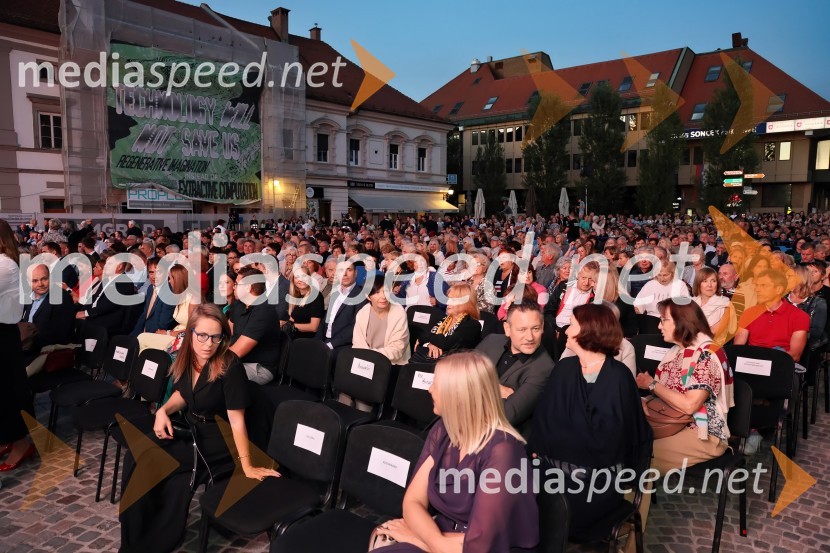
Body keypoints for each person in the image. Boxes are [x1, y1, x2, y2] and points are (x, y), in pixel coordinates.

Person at [120, 303, 279, 552]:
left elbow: (237, 420)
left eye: (216, 337)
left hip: (219, 437)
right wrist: (163, 411)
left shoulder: (229, 365)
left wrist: (246, 465)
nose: (208, 344)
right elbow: (183, 394)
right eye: (202, 335)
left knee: (149, 459)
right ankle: (136, 533)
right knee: (135, 454)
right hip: (192, 426)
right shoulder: (188, 356)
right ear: (190, 332)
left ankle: (142, 542)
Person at [373, 351, 539, 553]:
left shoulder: (503, 452)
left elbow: (480, 546)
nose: (430, 389)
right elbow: (412, 501)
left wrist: (415, 538)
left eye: (436, 384)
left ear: (458, 395)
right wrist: (434, 539)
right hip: (444, 536)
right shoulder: (443, 429)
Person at [528, 303, 651, 539]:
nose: (565, 331)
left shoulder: (619, 378)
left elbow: (611, 441)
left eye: (571, 325)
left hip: (595, 483)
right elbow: (543, 422)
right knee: (511, 498)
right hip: (550, 470)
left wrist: (556, 444)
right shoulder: (564, 369)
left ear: (588, 330)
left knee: (548, 511)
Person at [635, 299, 734, 473]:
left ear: (682, 322)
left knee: (639, 455)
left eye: (664, 320)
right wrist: (646, 399)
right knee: (620, 439)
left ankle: (630, 489)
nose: (659, 326)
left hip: (702, 432)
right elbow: (668, 393)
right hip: (673, 422)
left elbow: (690, 405)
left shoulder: (706, 355)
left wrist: (651, 384)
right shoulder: (677, 351)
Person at [476, 302, 553, 435]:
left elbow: (506, 415)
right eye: (522, 329)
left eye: (535, 328)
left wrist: (475, 385)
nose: (530, 337)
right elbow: (461, 377)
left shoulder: (544, 368)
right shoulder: (491, 341)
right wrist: (496, 388)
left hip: (499, 437)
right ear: (507, 329)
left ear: (542, 328)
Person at [0, 220, 36, 471]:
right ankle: (7, 438)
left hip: (3, 335)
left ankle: (21, 443)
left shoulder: (5, 264)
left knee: (8, 391)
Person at [733, 270, 810, 363]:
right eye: (756, 285)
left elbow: (794, 356)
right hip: (752, 363)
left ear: (779, 289)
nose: (757, 289)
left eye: (763, 285)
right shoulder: (749, 313)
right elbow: (738, 348)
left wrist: (764, 362)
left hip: (780, 364)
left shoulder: (799, 316)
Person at [229, 267, 281, 384]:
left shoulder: (264, 312)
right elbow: (227, 332)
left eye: (237, 284)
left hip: (259, 367)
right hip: (239, 361)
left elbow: (236, 352)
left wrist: (210, 358)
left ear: (248, 288)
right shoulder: (239, 304)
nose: (234, 287)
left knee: (216, 372)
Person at [20, 263, 77, 369]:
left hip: (46, 353)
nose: (40, 284)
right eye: (35, 281)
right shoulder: (29, 297)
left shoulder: (62, 298)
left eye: (44, 279)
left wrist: (28, 342)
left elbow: (62, 334)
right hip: (26, 348)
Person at [410, 283, 482, 364]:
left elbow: (446, 343)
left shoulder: (472, 325)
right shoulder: (444, 320)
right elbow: (434, 339)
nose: (447, 302)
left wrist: (427, 339)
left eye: (453, 300)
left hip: (457, 366)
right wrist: (430, 345)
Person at [352, 275, 411, 366]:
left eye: (386, 291)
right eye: (377, 292)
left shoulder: (398, 312)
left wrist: (371, 356)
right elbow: (357, 344)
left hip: (392, 364)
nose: (383, 296)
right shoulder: (362, 313)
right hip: (366, 362)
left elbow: (397, 349)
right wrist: (367, 359)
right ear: (368, 296)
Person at [137, 264, 196, 352]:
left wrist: (167, 333)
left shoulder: (192, 300)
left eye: (170, 278)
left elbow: (193, 330)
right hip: (173, 334)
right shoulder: (179, 297)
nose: (169, 281)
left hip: (183, 338)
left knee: (142, 339)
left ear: (177, 280)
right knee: (142, 345)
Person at [692, 266, 735, 343]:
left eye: (713, 281)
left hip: (711, 345)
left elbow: (713, 332)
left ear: (717, 284)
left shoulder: (725, 304)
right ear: (698, 284)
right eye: (705, 281)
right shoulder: (691, 303)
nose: (709, 285)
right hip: (687, 342)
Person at [285, 265, 324, 339]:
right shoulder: (296, 295)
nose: (301, 280)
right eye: (297, 277)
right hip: (293, 337)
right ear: (293, 280)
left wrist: (291, 325)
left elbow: (313, 327)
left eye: (304, 276)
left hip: (307, 341)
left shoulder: (316, 296)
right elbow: (295, 318)